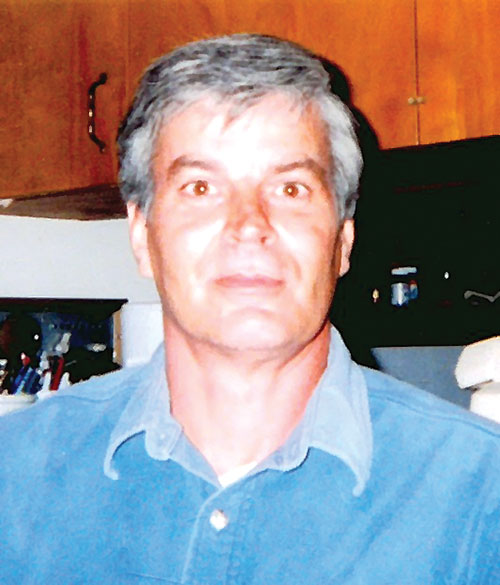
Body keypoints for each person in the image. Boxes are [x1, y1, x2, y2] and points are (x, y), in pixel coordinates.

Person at [1, 34, 499, 584]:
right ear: (142, 235)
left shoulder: (481, 495)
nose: (249, 226)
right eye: (200, 187)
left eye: (290, 189)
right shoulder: (15, 475)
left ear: (343, 241)